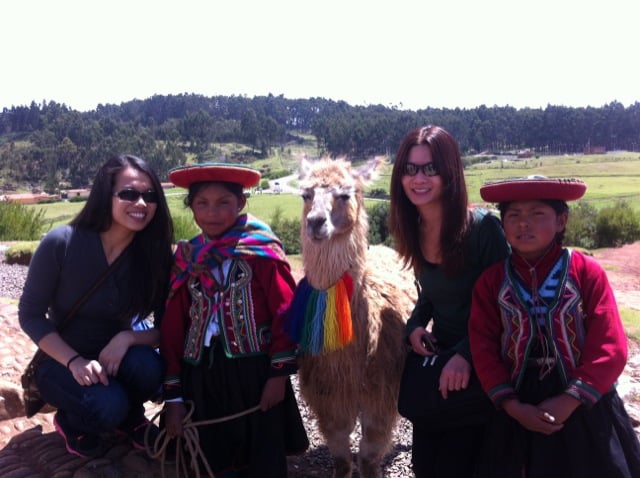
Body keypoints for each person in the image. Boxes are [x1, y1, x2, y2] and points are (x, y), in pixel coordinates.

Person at [469, 176, 640, 477]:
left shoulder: (586, 272)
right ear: (503, 224)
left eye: (537, 214)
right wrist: (512, 406)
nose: (524, 224)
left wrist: (569, 400)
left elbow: (610, 345)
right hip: (517, 400)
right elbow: (483, 346)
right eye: (514, 215)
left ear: (561, 221)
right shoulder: (491, 282)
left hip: (582, 401)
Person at [18, 154, 174, 458]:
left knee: (151, 370)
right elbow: (30, 314)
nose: (141, 203)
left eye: (150, 195)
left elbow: (162, 329)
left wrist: (127, 337)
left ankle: (129, 419)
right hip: (61, 362)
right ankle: (71, 420)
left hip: (115, 357)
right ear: (106, 194)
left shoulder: (153, 258)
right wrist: (74, 361)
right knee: (107, 406)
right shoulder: (62, 243)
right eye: (129, 193)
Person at [160, 163, 309, 478]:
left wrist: (278, 376)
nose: (212, 212)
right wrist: (173, 393)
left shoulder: (261, 251)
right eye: (202, 203)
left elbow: (287, 313)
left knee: (262, 455)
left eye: (223, 202)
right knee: (211, 455)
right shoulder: (188, 257)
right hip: (200, 375)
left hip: (254, 373)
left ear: (240, 204)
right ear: (192, 207)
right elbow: (174, 328)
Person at [388, 125, 510, 477]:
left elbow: (508, 304)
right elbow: (429, 292)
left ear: (449, 172)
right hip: (442, 362)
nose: (419, 178)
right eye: (410, 169)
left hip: (485, 361)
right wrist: (414, 327)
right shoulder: (412, 227)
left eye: (430, 168)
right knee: (425, 466)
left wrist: (466, 354)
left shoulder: (483, 229)